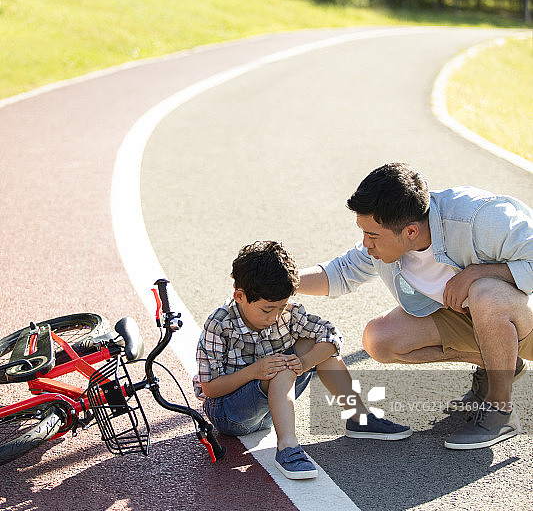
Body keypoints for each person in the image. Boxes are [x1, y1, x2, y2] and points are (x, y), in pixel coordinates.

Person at [298, 162, 533, 450]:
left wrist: (478, 272)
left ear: (410, 232)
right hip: (477, 320)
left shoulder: (480, 218)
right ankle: (497, 363)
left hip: (523, 318)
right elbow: (341, 272)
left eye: (372, 236)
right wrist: (283, 282)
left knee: (485, 291)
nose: (365, 244)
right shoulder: (390, 235)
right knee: (380, 338)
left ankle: (500, 412)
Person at [194, 240, 412, 481]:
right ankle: (287, 448)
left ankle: (359, 417)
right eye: (267, 310)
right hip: (230, 414)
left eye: (281, 307)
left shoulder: (287, 312)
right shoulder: (219, 324)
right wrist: (254, 371)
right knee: (282, 367)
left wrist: (305, 362)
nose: (275, 316)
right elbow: (210, 389)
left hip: (269, 407)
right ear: (240, 296)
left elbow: (331, 336)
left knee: (315, 346)